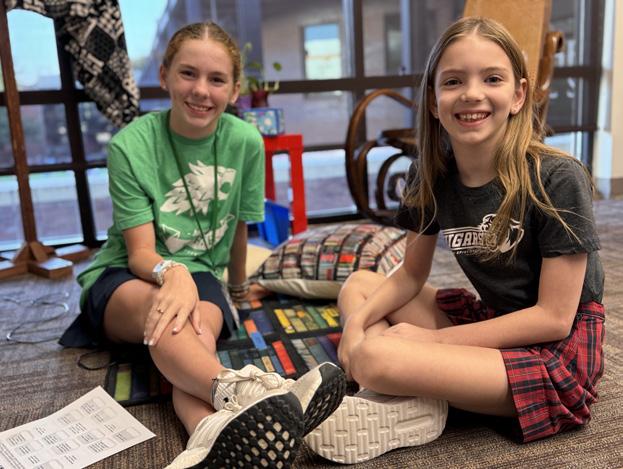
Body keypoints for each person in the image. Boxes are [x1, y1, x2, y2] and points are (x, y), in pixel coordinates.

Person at [305, 16, 605, 464]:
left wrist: (429, 344)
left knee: (376, 357)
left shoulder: (558, 177)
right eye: (453, 81)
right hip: (496, 321)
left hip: (554, 350)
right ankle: (405, 399)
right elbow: (410, 276)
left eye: (492, 79)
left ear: (519, 94)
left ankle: (393, 382)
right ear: (433, 100)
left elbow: (554, 319)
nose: (472, 93)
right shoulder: (429, 175)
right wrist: (354, 327)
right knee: (360, 287)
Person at [59, 22, 345, 468]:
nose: (201, 91)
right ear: (164, 75)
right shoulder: (130, 146)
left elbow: (238, 227)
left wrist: (236, 290)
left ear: (234, 89)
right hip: (128, 274)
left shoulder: (245, 142)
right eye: (188, 73)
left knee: (195, 342)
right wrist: (172, 274)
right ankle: (255, 392)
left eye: (216, 79)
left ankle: (205, 434)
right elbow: (140, 253)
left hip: (202, 274)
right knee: (168, 318)